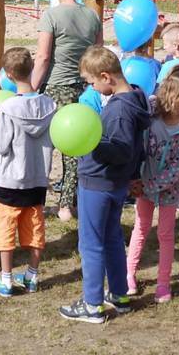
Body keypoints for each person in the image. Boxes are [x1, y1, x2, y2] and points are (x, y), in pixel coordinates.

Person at [59, 47, 150, 323]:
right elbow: (137, 146)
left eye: (92, 82)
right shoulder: (135, 97)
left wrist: (90, 141)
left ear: (105, 76)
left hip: (99, 182)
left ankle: (92, 304)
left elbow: (121, 148)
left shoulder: (120, 110)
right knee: (111, 238)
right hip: (115, 182)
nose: (93, 88)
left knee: (91, 242)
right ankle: (119, 295)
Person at [31, 0, 102, 223]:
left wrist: (28, 90)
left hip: (56, 86)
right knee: (76, 146)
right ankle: (69, 201)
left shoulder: (51, 16)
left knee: (46, 146)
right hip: (85, 86)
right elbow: (98, 53)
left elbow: (43, 57)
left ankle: (43, 201)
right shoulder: (92, 16)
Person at [0, 47, 58, 297]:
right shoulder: (50, 104)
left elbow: (2, 146)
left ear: (7, 74)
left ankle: (6, 279)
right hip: (37, 177)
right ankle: (32, 276)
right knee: (35, 226)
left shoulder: (6, 108)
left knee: (6, 228)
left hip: (9, 179)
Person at [126, 66, 179, 302]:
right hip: (142, 182)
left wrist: (150, 186)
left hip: (168, 188)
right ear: (176, 96)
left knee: (166, 234)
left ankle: (163, 283)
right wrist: (136, 179)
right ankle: (129, 274)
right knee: (141, 227)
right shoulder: (151, 111)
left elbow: (177, 167)